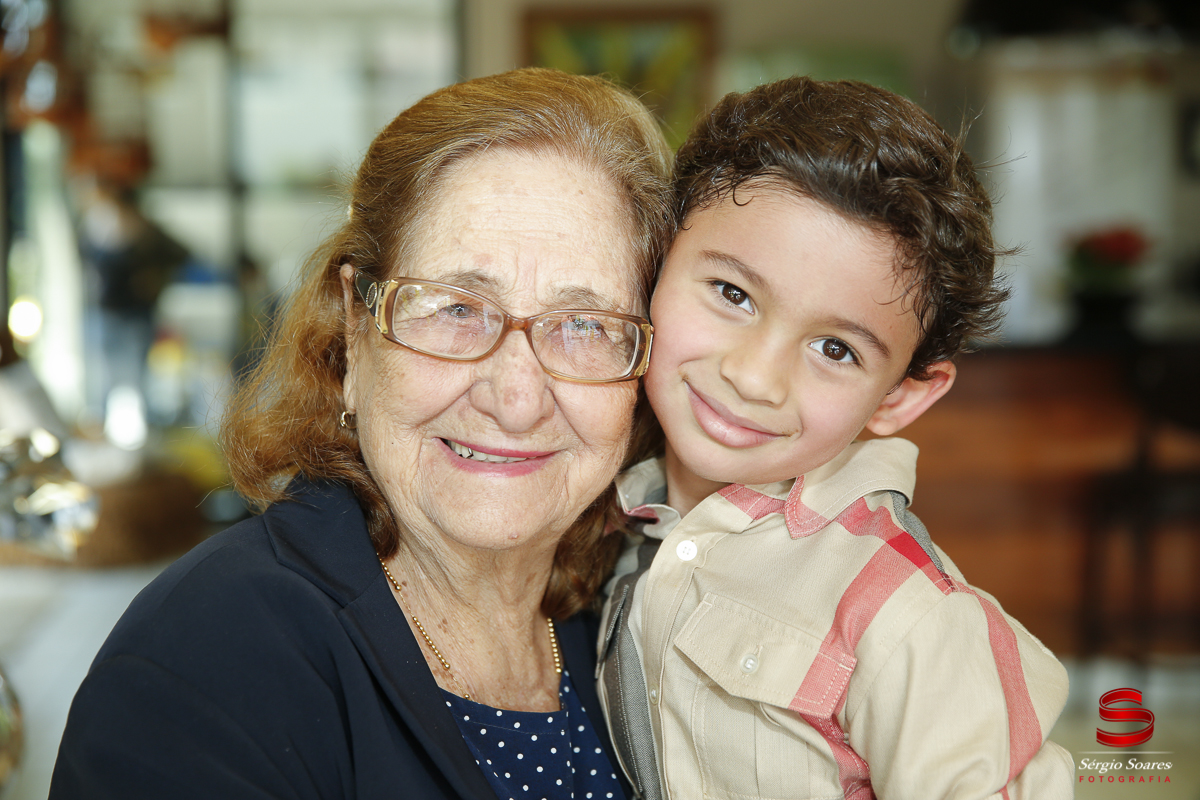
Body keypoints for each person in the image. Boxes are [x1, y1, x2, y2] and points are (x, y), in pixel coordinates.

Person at [49, 67, 672, 800]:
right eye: (455, 308)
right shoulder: (204, 666)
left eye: (585, 325)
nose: (516, 399)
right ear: (354, 329)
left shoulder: (635, 621)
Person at [597, 77, 1075, 799]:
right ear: (656, 264)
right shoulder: (604, 502)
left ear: (902, 396)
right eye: (732, 294)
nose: (755, 377)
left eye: (835, 350)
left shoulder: (908, 615)